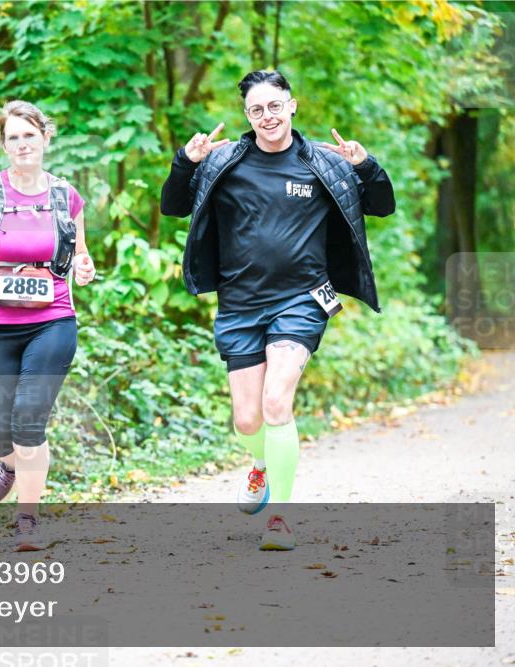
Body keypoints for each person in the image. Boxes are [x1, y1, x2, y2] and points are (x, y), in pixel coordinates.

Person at [159, 70, 395, 550]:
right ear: (248, 115)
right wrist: (186, 161)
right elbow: (171, 207)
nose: (267, 116)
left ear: (292, 106)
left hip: (302, 300)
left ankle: (281, 519)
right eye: (256, 109)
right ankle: (260, 466)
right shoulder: (224, 162)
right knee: (247, 420)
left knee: (275, 403)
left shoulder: (324, 164)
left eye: (274, 105)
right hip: (240, 304)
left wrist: (365, 164)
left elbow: (383, 206)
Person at [0, 100, 95, 551]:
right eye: (13, 137)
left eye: (29, 135)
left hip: (53, 320)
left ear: (45, 138)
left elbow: (80, 256)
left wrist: (84, 269)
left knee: (29, 420)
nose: (22, 143)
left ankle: (27, 521)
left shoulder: (65, 196)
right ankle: (8, 464)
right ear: (4, 144)